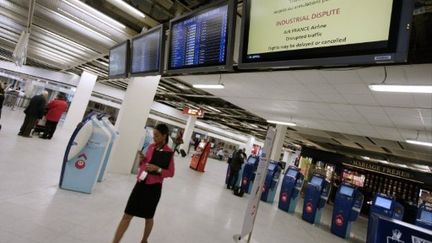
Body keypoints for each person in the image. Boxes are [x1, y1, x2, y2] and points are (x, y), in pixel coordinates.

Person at [113, 124, 175, 243]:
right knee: (127, 215)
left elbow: (171, 172)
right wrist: (142, 160)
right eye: (153, 135)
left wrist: (158, 169)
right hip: (140, 184)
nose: (154, 138)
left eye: (156, 136)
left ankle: (144, 240)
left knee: (148, 217)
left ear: (164, 136)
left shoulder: (168, 152)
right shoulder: (151, 147)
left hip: (154, 189)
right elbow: (146, 163)